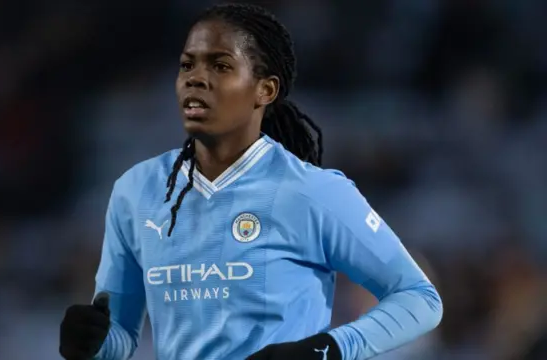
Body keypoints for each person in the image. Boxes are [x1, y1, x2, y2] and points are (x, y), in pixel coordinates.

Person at [59, 3, 443, 360]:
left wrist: (327, 349)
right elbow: (122, 337)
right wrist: (91, 344)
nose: (196, 79)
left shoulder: (313, 192)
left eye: (220, 66)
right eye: (187, 65)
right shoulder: (136, 190)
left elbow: (420, 298)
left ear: (265, 90)